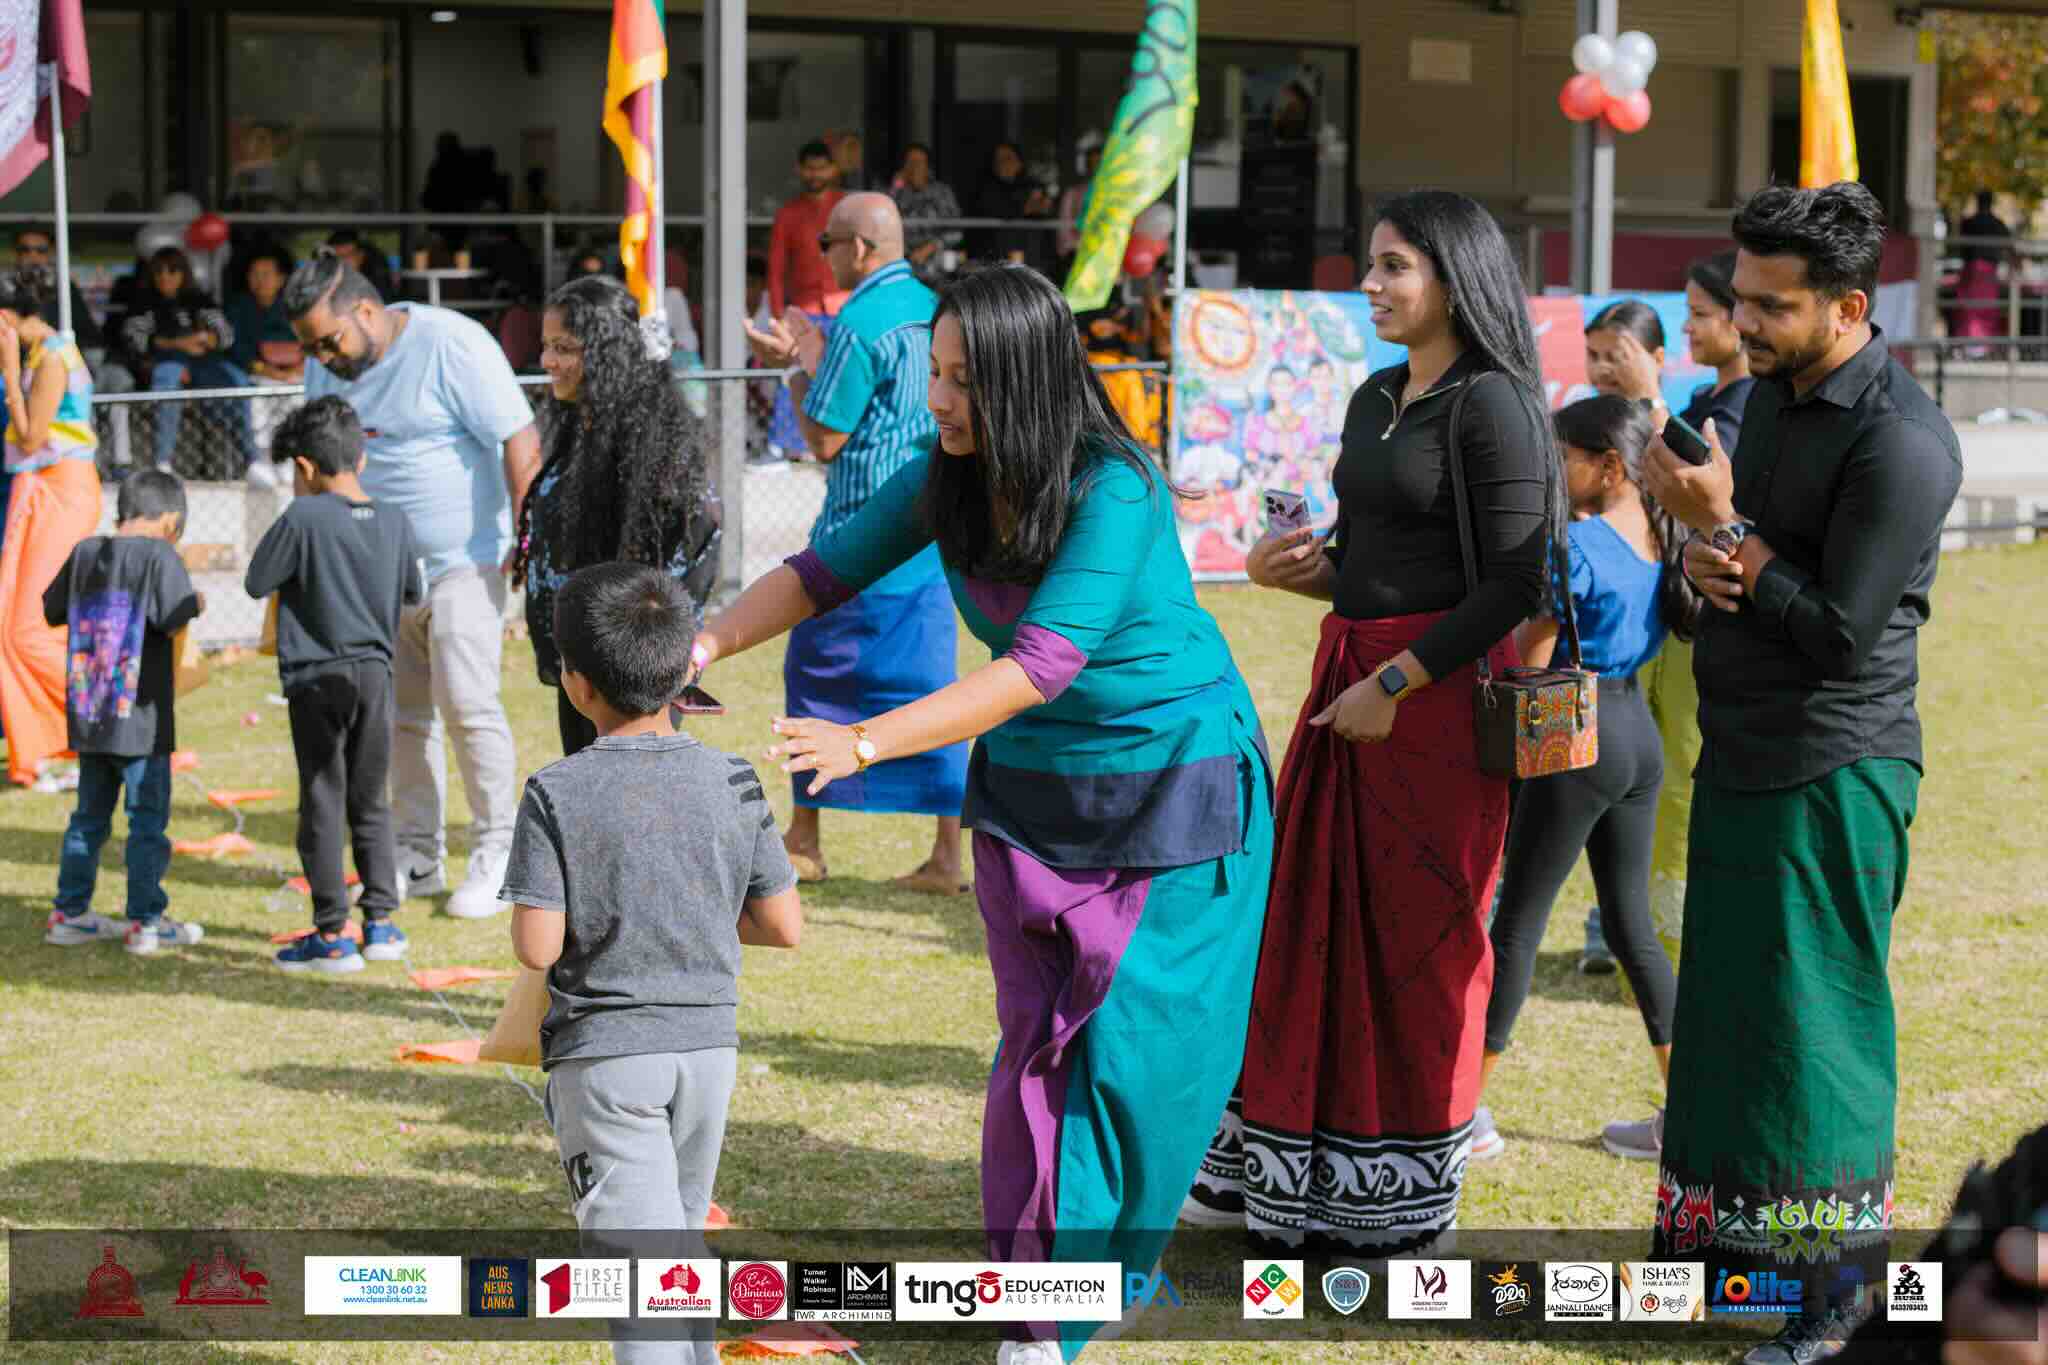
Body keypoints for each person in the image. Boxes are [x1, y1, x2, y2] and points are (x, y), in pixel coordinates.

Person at [698, 262, 1273, 1365]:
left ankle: (1086, 1290)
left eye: (961, 379)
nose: (939, 399)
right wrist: (703, 643)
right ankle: (1042, 1305)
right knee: (1035, 1049)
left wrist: (862, 742)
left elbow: (1037, 665)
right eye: (936, 373)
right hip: (1032, 796)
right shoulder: (944, 475)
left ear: (1023, 376)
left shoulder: (1114, 486)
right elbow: (821, 570)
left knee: (1128, 1052)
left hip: (1173, 788)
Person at [1186, 190, 1552, 1257]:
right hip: (1347, 682)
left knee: (1417, 944)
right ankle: (1286, 1178)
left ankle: (1396, 1201)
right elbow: (1365, 571)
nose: (1372, 285)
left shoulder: (1495, 404)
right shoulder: (1373, 395)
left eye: (1395, 266)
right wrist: (1290, 575)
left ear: (1454, 275)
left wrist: (1390, 686)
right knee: (1304, 930)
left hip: (1430, 708)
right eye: (1373, 265)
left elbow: (1515, 583)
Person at [1643, 181, 1964, 1364]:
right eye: (1742, 296)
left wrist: (1727, 536)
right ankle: (1726, 1274)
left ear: (1845, 306)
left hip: (1833, 768)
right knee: (1728, 1022)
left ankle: (1830, 1301)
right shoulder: (1763, 402)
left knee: (1812, 1033)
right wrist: (1700, 553)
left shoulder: (1901, 440)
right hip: (1737, 750)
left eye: (1773, 307)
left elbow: (1839, 632)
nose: (1746, 321)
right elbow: (1715, 578)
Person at [507, 561, 801, 1365]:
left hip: (605, 1061)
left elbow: (538, 945)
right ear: (684, 668)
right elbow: (784, 923)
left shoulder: (554, 790)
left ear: (574, 682)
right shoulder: (735, 778)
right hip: (708, 1054)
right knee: (675, 1257)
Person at [1471, 395, 1701, 1163]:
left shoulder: (1571, 544)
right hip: (1639, 736)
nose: (1552, 469)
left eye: (1562, 455)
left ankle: (1462, 1114)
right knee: (1633, 927)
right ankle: (1688, 1111)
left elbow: (1527, 660)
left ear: (1607, 464)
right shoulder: (1664, 536)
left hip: (1575, 733)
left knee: (1517, 922)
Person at [285, 251, 541, 921]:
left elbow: (519, 438)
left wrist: (527, 537)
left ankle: (497, 849)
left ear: (365, 312)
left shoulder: (451, 344)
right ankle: (416, 853)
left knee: (469, 704)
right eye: (311, 346)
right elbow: (309, 463)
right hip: (376, 573)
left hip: (466, 561)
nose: (321, 356)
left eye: (329, 340)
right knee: (399, 719)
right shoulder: (325, 362)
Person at [741, 193, 969, 893]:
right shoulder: (935, 310)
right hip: (930, 531)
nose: (825, 256)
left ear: (860, 249)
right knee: (932, 693)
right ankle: (946, 856)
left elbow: (824, 436)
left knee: (812, 676)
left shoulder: (859, 320)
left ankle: (805, 839)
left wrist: (792, 363)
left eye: (827, 245)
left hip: (856, 538)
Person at [246, 398, 422, 975]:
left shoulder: (302, 518)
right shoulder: (396, 519)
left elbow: (256, 581)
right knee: (370, 799)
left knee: (322, 797)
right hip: (375, 676)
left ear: (303, 466)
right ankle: (381, 924)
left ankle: (330, 933)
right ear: (361, 459)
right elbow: (411, 594)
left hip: (316, 677)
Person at [517, 274, 721, 757]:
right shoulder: (581, 428)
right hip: (583, 665)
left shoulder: (651, 446)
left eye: (564, 348)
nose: (548, 362)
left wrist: (650, 651)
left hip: (628, 675)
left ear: (606, 351)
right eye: (546, 346)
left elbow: (694, 540)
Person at [40, 469, 202, 954]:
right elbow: (172, 615)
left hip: (92, 714)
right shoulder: (161, 556)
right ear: (169, 520)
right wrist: (195, 602)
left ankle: (70, 914)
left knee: (88, 819)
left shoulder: (85, 551)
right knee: (146, 822)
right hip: (143, 725)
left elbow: (51, 609)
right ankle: (146, 922)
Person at [1573, 295, 1673, 975]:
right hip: (1597, 658)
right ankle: (1598, 928)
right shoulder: (1583, 430)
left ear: (1658, 359)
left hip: (1658, 643)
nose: (1605, 368)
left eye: (1620, 354)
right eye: (1595, 355)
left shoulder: (1673, 429)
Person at [0, 271, 103, 786]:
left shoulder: (52, 355)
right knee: (10, 626)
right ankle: (45, 744)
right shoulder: (42, 353)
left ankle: (102, 718)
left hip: (62, 490)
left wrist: (8, 368)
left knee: (27, 628)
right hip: (38, 487)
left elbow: (33, 433)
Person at [125, 246, 252, 478]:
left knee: (239, 380)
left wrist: (207, 339)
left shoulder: (200, 301)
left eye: (172, 271)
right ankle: (163, 461)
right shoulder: (143, 303)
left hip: (206, 364)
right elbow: (135, 340)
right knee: (168, 377)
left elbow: (225, 335)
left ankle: (252, 458)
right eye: (159, 272)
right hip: (165, 365)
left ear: (183, 274)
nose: (165, 277)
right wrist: (178, 344)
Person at [225, 244, 304, 489]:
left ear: (281, 279)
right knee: (258, 407)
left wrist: (297, 370)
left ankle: (288, 459)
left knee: (296, 404)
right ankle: (261, 461)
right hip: (257, 375)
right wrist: (266, 370)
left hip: (295, 376)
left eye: (266, 274)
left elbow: (309, 342)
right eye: (254, 274)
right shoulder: (239, 307)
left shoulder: (295, 306)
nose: (259, 280)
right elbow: (236, 348)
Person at [767, 141, 846, 318]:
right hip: (804, 310)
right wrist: (778, 316)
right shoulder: (787, 215)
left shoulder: (846, 207)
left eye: (821, 168)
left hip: (846, 307)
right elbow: (776, 271)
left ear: (833, 169)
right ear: (799, 169)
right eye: (810, 168)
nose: (815, 174)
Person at [11, 228, 103, 351]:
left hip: (58, 358)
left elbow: (88, 334)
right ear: (17, 255)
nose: (33, 256)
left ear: (49, 254)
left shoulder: (65, 288)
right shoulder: (5, 288)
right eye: (25, 250)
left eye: (41, 250)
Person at [974, 142, 1054, 272]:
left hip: (1033, 256)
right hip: (998, 259)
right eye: (998, 160)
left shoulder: (1032, 184)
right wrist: (1025, 208)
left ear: (1019, 162)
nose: (1003, 163)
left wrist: (1026, 208)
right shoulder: (987, 188)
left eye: (1007, 158)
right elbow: (996, 210)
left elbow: (1046, 207)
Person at [889, 142, 963, 281]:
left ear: (928, 166)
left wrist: (930, 247)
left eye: (919, 162)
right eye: (910, 162)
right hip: (902, 265)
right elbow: (885, 224)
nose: (915, 167)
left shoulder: (942, 192)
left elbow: (956, 231)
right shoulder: (897, 192)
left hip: (937, 268)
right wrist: (897, 184)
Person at [324, 228, 396, 303]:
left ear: (361, 255)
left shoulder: (376, 284)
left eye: (348, 255)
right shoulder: (324, 285)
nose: (343, 261)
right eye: (337, 257)